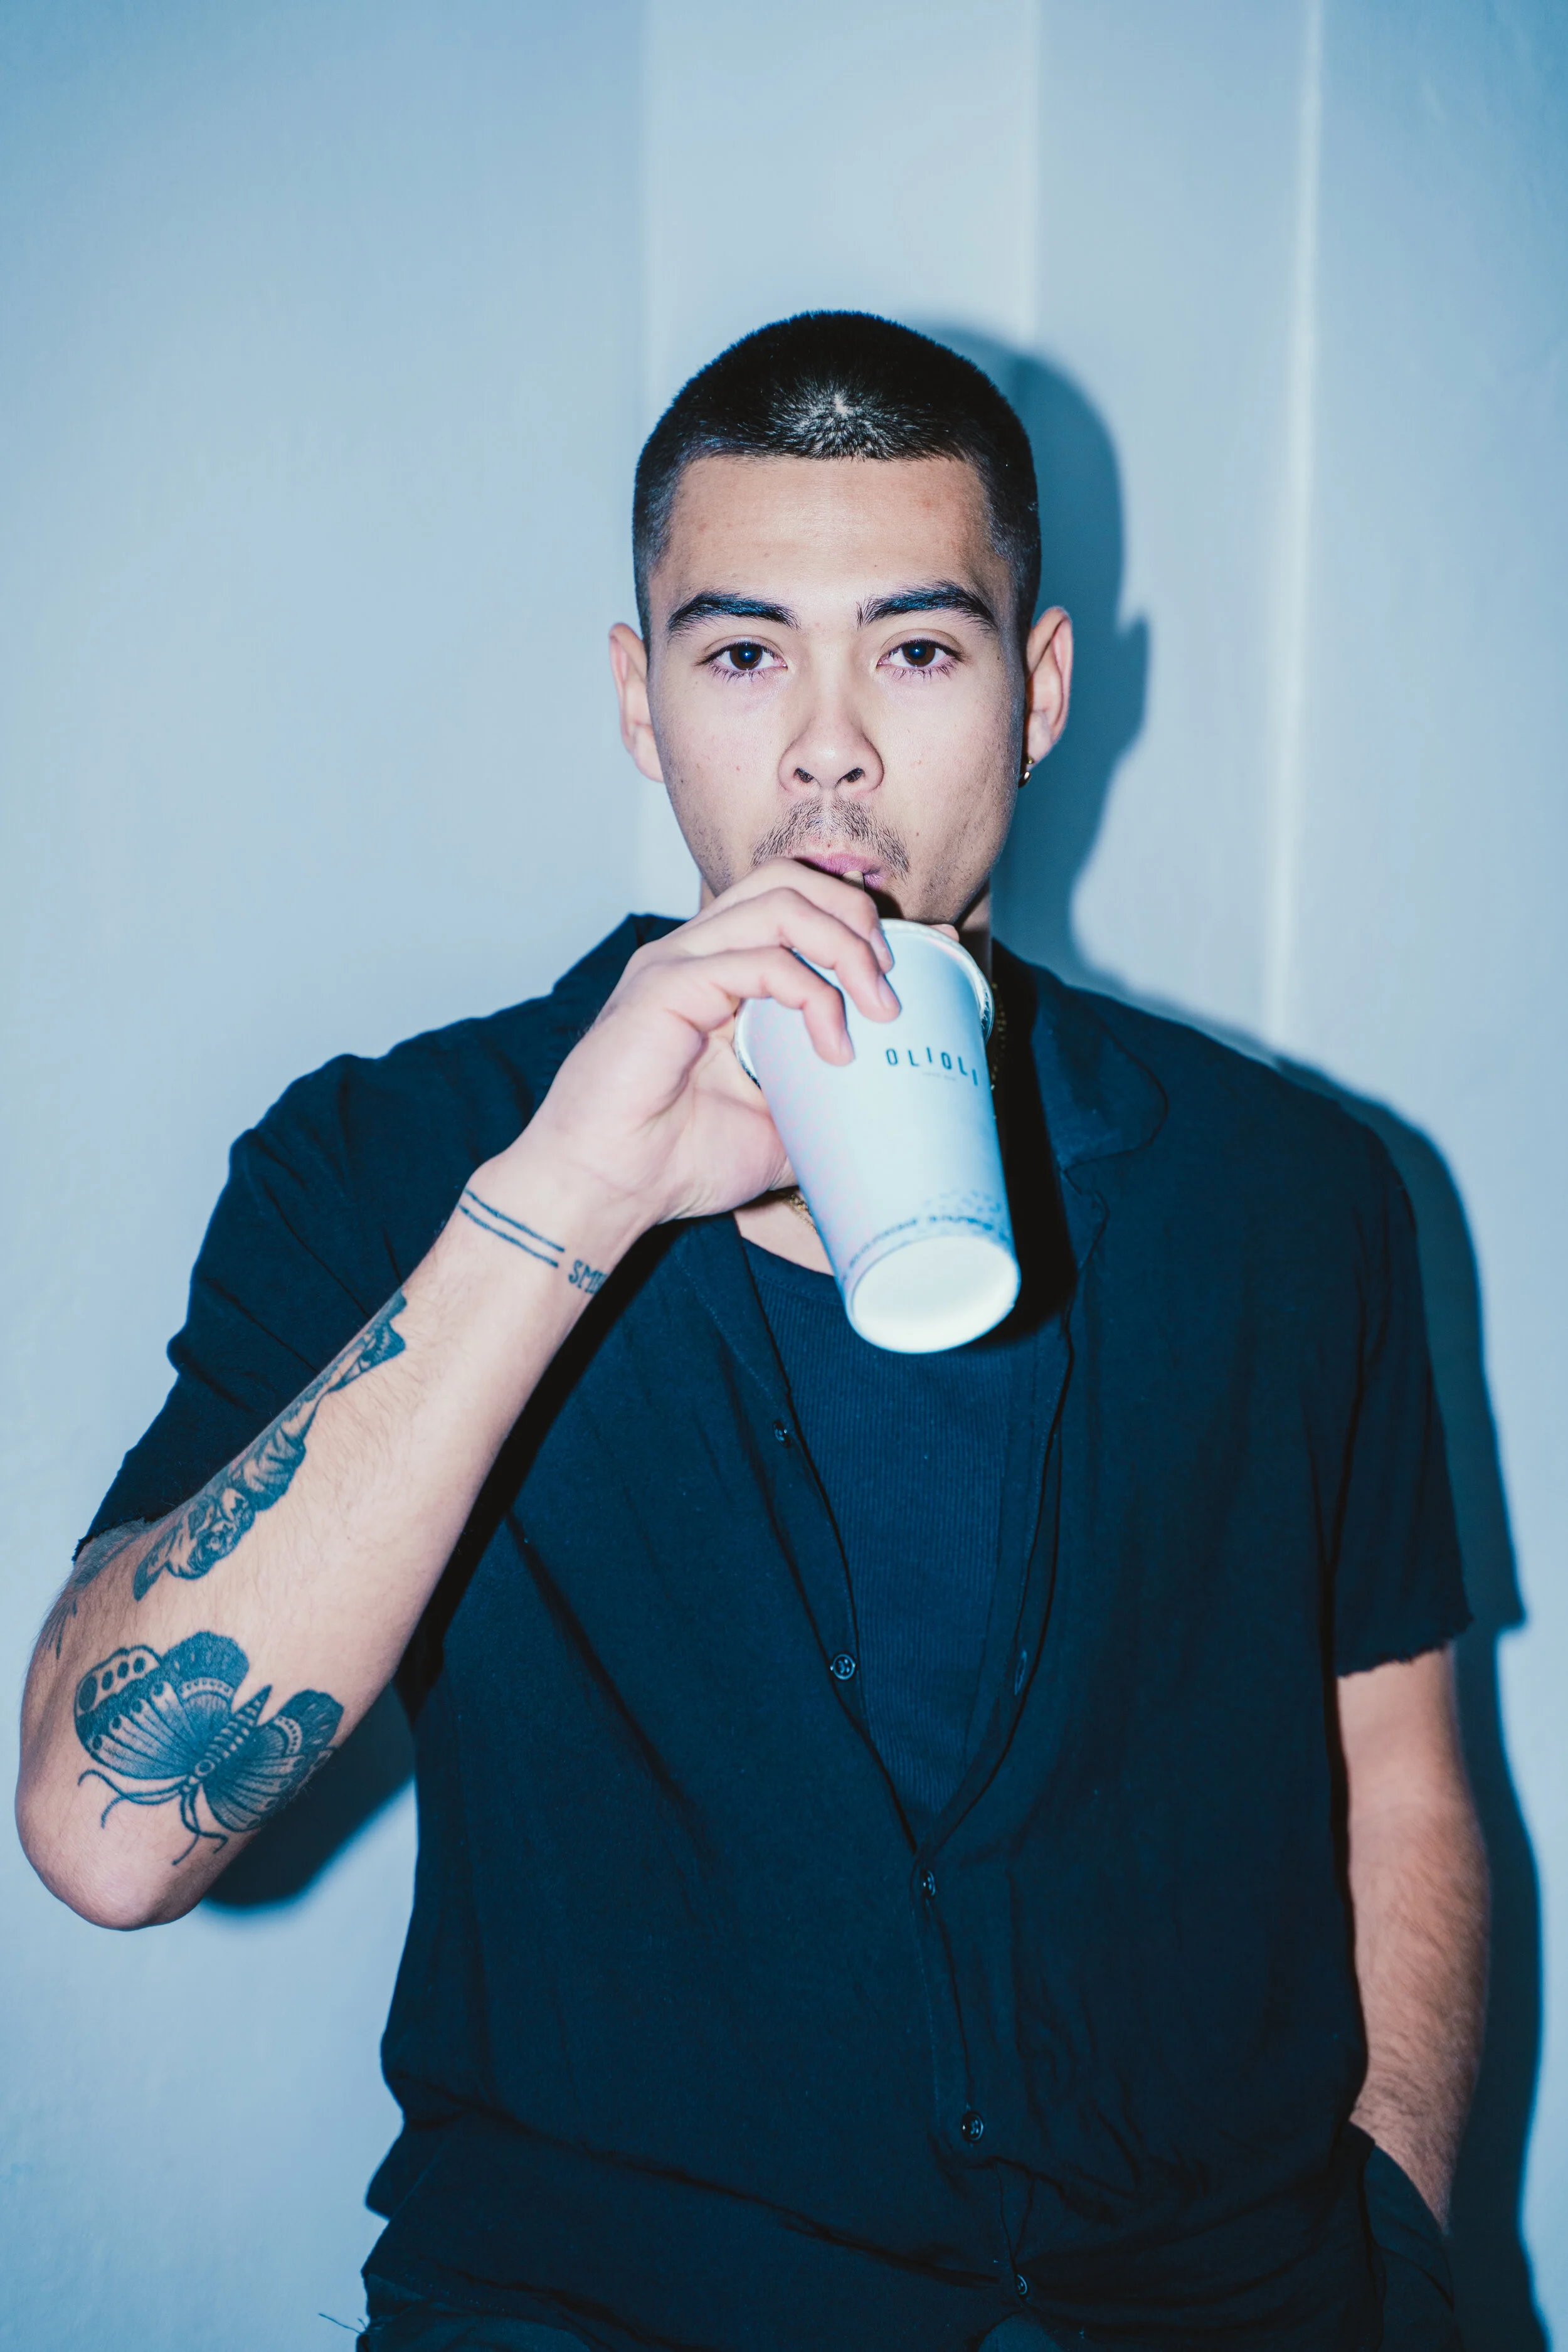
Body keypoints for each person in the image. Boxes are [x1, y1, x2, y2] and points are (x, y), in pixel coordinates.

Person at [18, 314, 1484, 2352]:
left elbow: (1398, 1773)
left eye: (914, 646)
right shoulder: (394, 1160)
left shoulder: (1294, 1194)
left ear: (1037, 689)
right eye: (738, 653)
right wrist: (567, 1199)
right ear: (639, 700)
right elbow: (101, 1836)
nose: (826, 748)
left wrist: (1398, 2256)